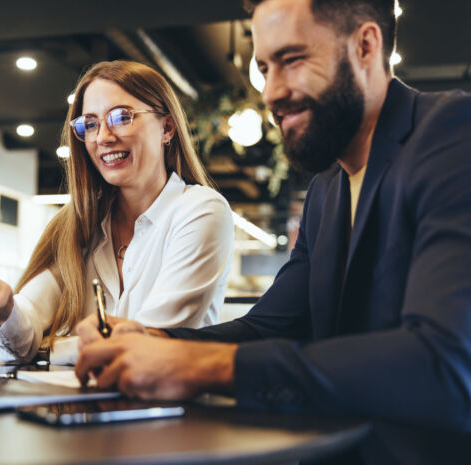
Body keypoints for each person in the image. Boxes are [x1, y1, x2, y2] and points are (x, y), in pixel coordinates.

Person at [75, 0, 471, 462]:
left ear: (365, 45)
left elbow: (445, 363)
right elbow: (269, 327)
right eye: (264, 67)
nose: (271, 91)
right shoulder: (327, 188)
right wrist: (154, 341)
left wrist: (205, 365)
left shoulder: (451, 136)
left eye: (292, 60)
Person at [0, 60, 234, 364]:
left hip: (170, 408)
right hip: (85, 408)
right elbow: (27, 323)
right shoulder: (80, 225)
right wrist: (3, 309)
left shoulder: (201, 211)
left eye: (121, 117)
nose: (103, 136)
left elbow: (148, 344)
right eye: (89, 123)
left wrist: (48, 349)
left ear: (167, 128)